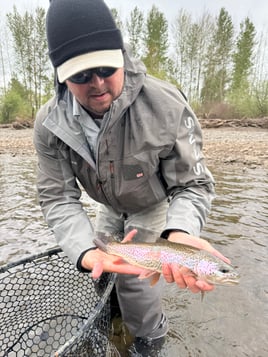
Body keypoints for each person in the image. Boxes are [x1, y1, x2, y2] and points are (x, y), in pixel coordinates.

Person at [34, 0, 230, 354]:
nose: (97, 84)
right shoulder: (49, 123)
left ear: (121, 54)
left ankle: (148, 340)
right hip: (106, 204)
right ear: (61, 75)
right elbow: (58, 198)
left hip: (151, 204)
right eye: (80, 75)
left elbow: (193, 184)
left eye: (107, 68)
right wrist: (83, 253)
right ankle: (112, 319)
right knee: (103, 267)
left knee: (137, 287)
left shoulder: (167, 105)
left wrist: (180, 233)